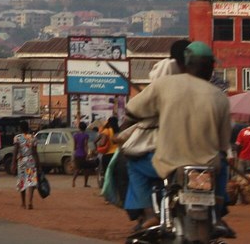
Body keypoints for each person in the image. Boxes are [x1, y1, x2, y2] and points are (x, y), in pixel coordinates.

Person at [120, 41, 232, 234]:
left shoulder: (164, 85)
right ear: (210, 68)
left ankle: (148, 214)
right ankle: (217, 215)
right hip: (207, 167)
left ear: (185, 63)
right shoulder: (220, 97)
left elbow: (132, 109)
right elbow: (223, 144)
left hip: (169, 164)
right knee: (222, 167)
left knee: (134, 166)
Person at [12, 120, 39, 209]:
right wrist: (38, 164)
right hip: (31, 160)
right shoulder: (33, 138)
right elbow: (35, 152)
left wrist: (13, 163)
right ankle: (30, 202)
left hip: (21, 160)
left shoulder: (17, 138)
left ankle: (23, 203)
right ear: (28, 128)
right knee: (31, 181)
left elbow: (15, 151)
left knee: (22, 181)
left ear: (20, 128)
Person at [96, 116, 120, 187]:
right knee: (116, 173)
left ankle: (109, 189)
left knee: (107, 173)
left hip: (108, 155)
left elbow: (102, 143)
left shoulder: (107, 131)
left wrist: (99, 144)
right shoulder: (119, 130)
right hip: (118, 154)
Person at [71, 121, 92, 188]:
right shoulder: (85, 135)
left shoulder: (75, 135)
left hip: (77, 153)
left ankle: (73, 181)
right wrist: (87, 153)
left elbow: (75, 145)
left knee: (77, 169)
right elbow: (85, 145)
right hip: (83, 154)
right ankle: (85, 183)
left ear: (79, 127)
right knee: (86, 169)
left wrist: (74, 153)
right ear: (85, 128)